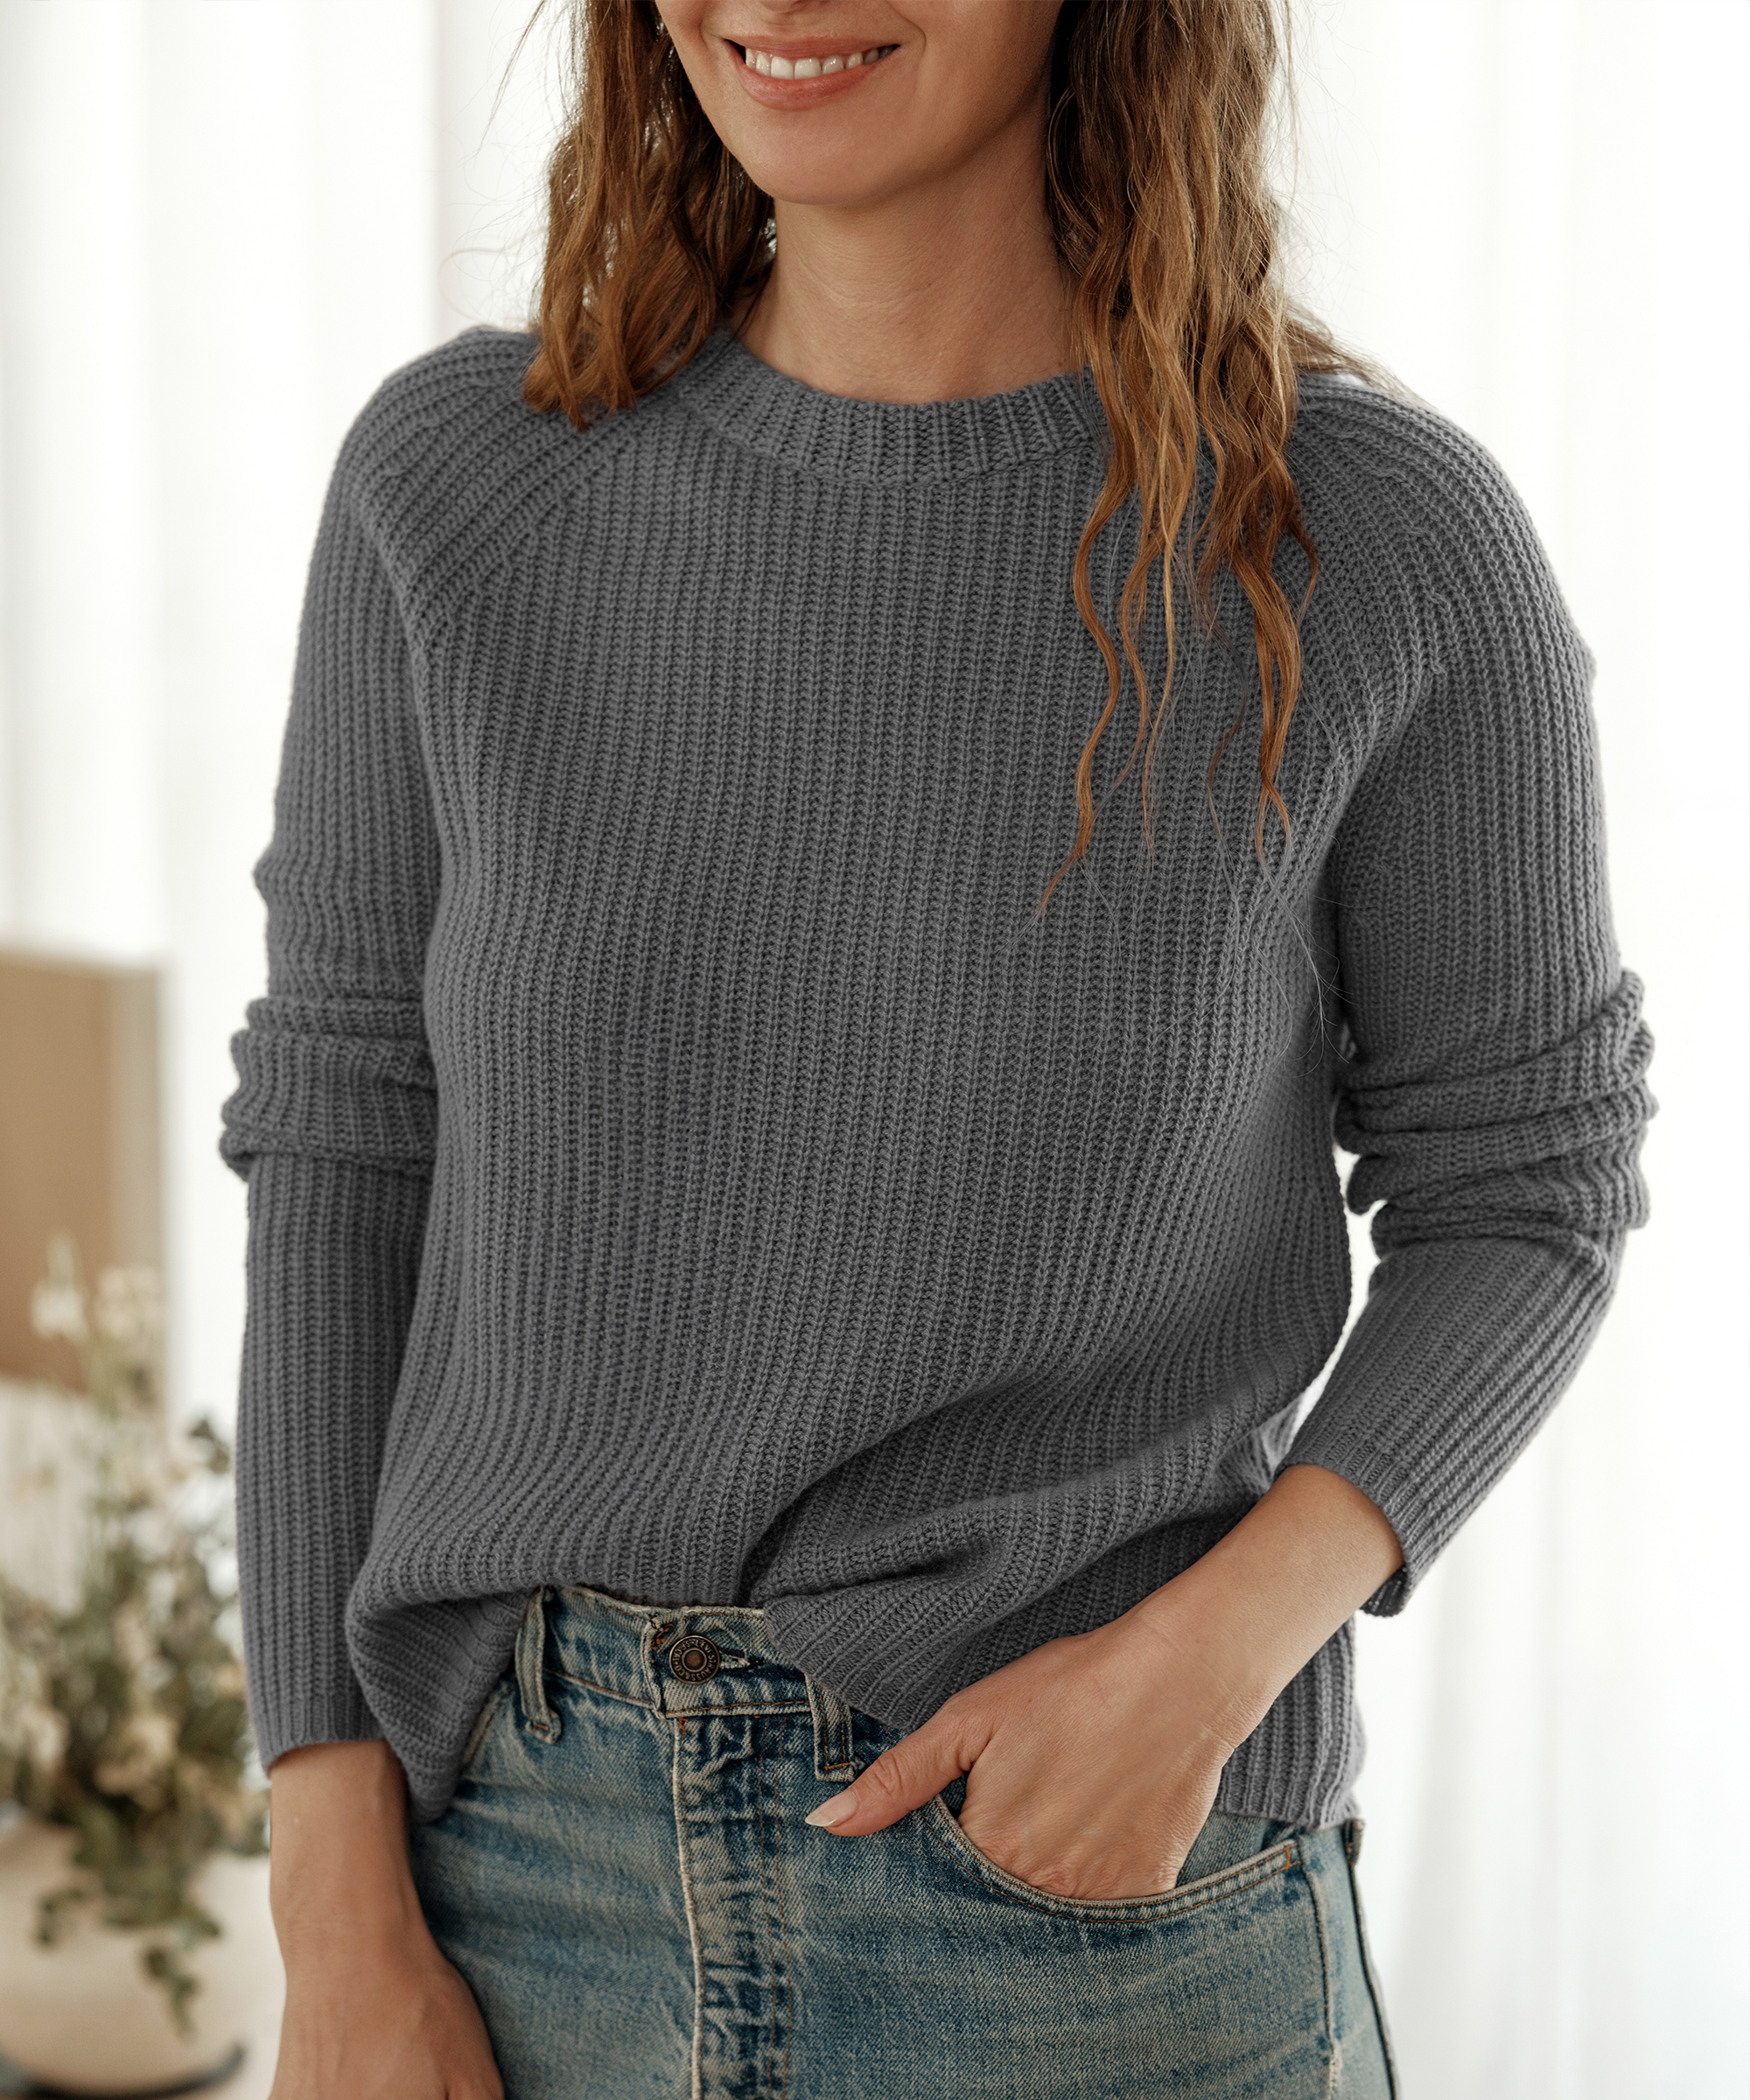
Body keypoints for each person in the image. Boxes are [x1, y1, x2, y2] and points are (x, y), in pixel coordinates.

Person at [218, 3, 1654, 2095]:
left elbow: (1528, 1191)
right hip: (517, 1898)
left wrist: (1202, 1669)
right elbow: (344, 1165)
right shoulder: (454, 491)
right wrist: (331, 1900)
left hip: (1085, 1907)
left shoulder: (1373, 538)